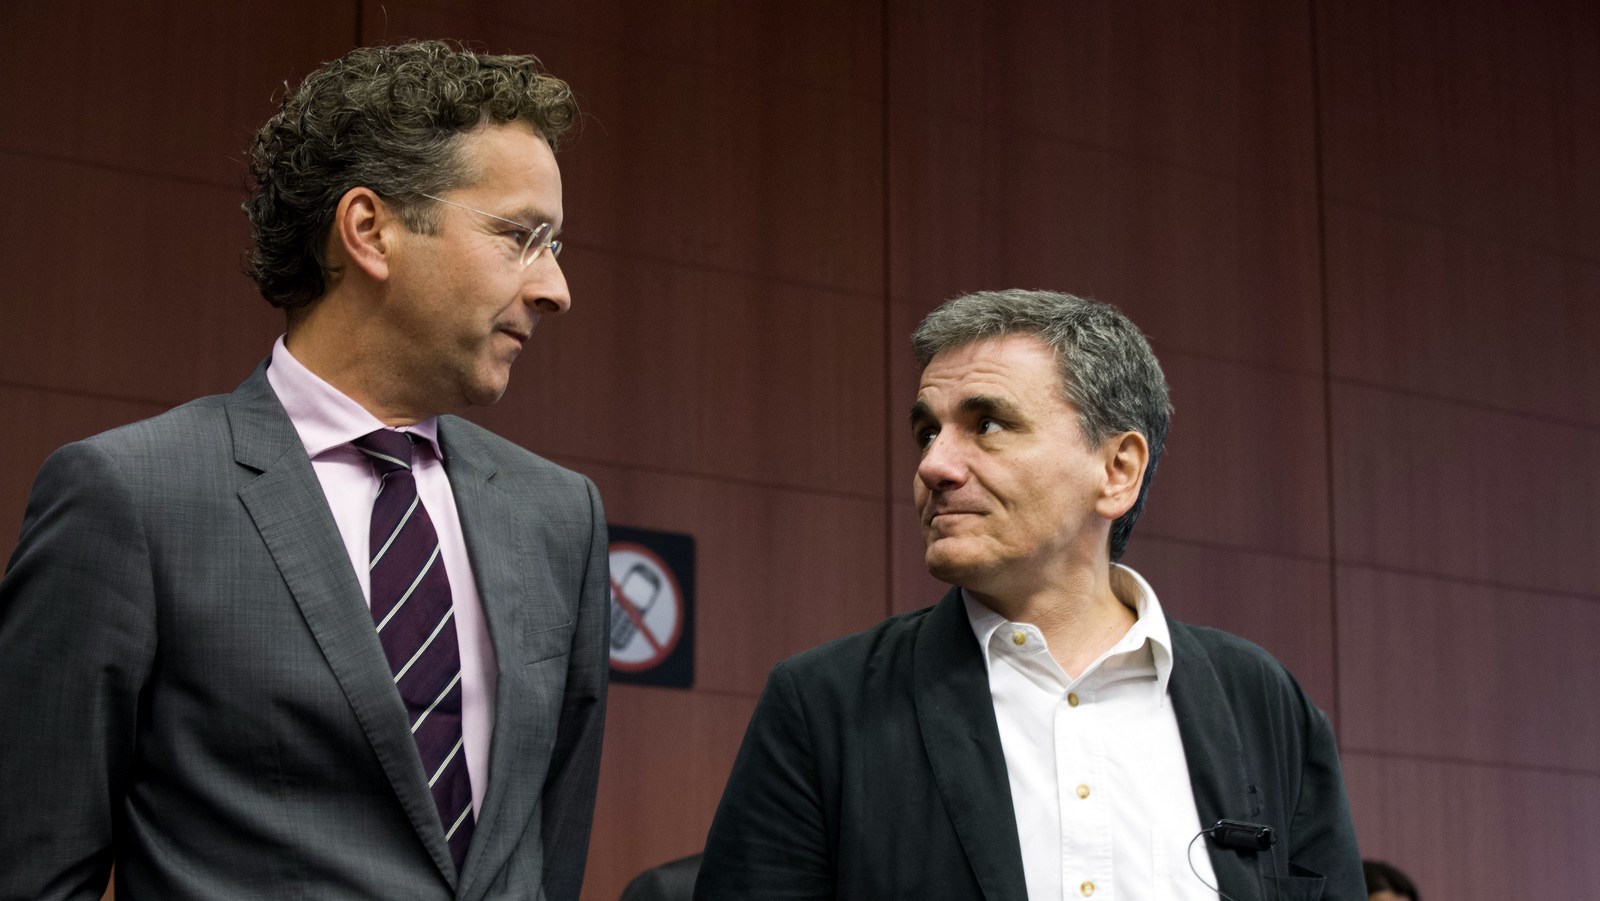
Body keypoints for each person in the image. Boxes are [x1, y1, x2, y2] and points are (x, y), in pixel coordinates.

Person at [0, 41, 608, 901]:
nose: (556, 289)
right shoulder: (131, 496)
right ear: (370, 230)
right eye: (521, 236)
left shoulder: (561, 516)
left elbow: (550, 856)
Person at [695, 289, 1364, 899]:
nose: (933, 465)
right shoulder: (824, 705)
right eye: (927, 432)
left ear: (1117, 469)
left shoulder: (1262, 699)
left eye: (987, 425)